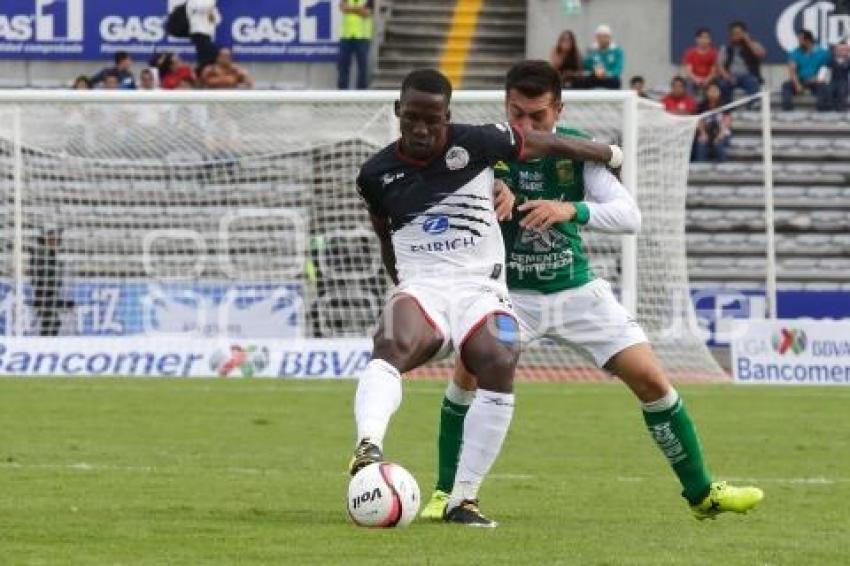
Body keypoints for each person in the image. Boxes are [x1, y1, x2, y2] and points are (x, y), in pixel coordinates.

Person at [418, 60, 764, 523]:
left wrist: (571, 210)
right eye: (516, 113)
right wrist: (486, 192)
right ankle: (447, 493)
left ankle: (702, 494)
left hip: (576, 289)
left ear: (557, 110)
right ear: (505, 105)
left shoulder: (577, 151)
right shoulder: (486, 149)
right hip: (506, 293)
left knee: (652, 381)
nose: (526, 126)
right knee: (468, 371)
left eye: (537, 117)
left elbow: (629, 216)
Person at [350, 68, 621, 527]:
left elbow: (547, 143)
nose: (420, 128)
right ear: (398, 112)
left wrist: (607, 153)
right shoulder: (375, 173)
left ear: (447, 116)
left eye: (431, 120)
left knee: (499, 353)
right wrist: (402, 284)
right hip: (424, 285)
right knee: (392, 340)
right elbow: (383, 233)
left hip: (482, 287)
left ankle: (463, 500)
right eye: (411, 117)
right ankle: (367, 449)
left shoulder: (478, 142)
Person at [29, 228, 74, 337]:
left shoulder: (49, 254)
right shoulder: (42, 253)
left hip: (47, 296)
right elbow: (43, 280)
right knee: (52, 323)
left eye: (56, 239)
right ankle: (45, 347)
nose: (55, 242)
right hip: (45, 296)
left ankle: (45, 346)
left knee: (51, 323)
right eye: (52, 239)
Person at [782, 29, 832, 111]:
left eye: (800, 40)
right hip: (800, 80)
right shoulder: (795, 52)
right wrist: (797, 84)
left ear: (808, 41)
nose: (798, 42)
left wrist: (818, 78)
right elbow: (792, 70)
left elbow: (826, 68)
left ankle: (822, 111)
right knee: (786, 86)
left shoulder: (822, 53)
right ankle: (787, 110)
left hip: (815, 80)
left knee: (824, 88)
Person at [717, 21, 765, 103]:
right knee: (723, 84)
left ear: (744, 33)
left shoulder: (752, 45)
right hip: (731, 76)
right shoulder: (725, 48)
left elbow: (761, 54)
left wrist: (748, 40)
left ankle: (754, 107)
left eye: (739, 33)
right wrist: (727, 76)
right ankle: (728, 110)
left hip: (748, 76)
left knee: (753, 82)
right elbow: (719, 65)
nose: (736, 36)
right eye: (734, 33)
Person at [337, 0, 374, 89]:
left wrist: (350, 9)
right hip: (346, 36)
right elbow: (343, 8)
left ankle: (361, 93)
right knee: (343, 66)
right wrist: (359, 9)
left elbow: (367, 13)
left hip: (362, 37)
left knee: (362, 68)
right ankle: (341, 92)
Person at [694, 83, 732, 162]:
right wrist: (703, 133)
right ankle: (701, 165)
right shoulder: (702, 106)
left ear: (719, 92)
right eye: (711, 90)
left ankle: (722, 164)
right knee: (701, 142)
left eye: (715, 90)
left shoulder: (725, 105)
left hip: (722, 132)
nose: (713, 93)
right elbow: (700, 122)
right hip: (707, 131)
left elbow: (727, 123)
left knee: (718, 143)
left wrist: (719, 136)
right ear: (707, 92)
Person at [582, 24, 624, 89]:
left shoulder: (617, 51)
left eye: (605, 37)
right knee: (584, 81)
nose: (602, 39)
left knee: (616, 81)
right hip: (594, 76)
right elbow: (586, 65)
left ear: (610, 38)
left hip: (610, 78)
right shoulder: (591, 50)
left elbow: (618, 68)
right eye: (599, 37)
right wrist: (595, 70)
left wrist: (607, 74)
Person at [187, 0, 221, 73]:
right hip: (198, 32)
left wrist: (213, 16)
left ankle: (200, 75)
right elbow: (201, 7)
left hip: (208, 34)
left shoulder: (210, 3)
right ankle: (198, 75)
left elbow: (218, 20)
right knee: (210, 55)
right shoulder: (193, 1)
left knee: (206, 58)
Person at [682, 28, 718, 97]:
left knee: (716, 85)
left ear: (710, 40)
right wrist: (696, 79)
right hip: (694, 79)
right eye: (702, 37)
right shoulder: (690, 53)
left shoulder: (714, 53)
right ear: (697, 39)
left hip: (709, 79)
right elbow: (689, 71)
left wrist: (707, 80)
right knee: (688, 83)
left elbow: (713, 71)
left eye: (707, 38)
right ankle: (691, 105)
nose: (704, 40)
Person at [831, 39, 850, 111]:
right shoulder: (831, 60)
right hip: (833, 80)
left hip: (844, 81)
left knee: (842, 88)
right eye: (839, 49)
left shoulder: (848, 60)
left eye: (844, 50)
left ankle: (841, 107)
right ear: (835, 50)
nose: (841, 51)